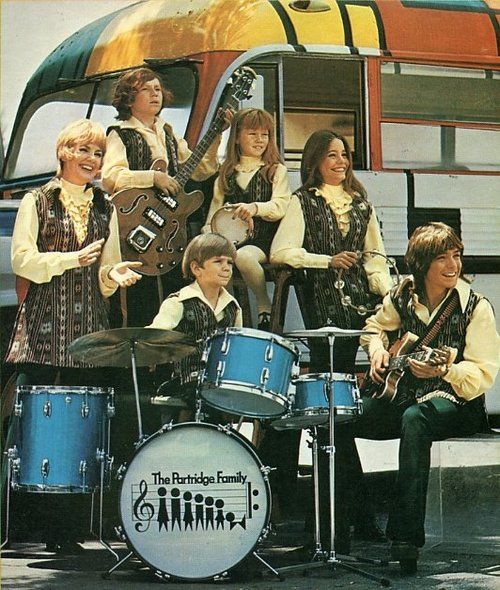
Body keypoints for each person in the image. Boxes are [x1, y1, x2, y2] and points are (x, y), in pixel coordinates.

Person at [4, 119, 142, 553]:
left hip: (89, 329)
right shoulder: (37, 200)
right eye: (84, 151)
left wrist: (113, 274)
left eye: (98, 153)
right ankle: (31, 526)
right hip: (45, 329)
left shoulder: (106, 206)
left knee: (84, 430)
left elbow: (104, 269)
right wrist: (70, 258)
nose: (92, 160)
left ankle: (72, 529)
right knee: (40, 430)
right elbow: (23, 261)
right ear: (64, 152)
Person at [269, 129, 392, 552]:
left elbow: (375, 257)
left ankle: (345, 519)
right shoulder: (302, 203)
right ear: (316, 160)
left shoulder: (362, 205)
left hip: (364, 316)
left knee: (342, 420)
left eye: (345, 155)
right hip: (325, 317)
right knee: (333, 420)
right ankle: (343, 520)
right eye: (332, 155)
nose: (341, 161)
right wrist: (325, 260)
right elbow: (282, 252)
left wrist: (388, 293)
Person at [352, 222, 499, 574]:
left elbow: (483, 374)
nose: (453, 265)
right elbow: (374, 327)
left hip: (458, 404)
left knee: (415, 419)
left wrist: (444, 371)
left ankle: (405, 540)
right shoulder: (401, 295)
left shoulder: (475, 307)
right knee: (342, 417)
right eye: (442, 258)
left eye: (457, 256)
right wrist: (376, 349)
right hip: (405, 395)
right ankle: (354, 521)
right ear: (421, 264)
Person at [102, 67, 231, 328]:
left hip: (168, 228)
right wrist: (153, 178)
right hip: (135, 224)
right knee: (137, 298)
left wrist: (217, 134)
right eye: (146, 89)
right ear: (129, 99)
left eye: (158, 89)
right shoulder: (120, 132)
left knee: (171, 295)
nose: (154, 94)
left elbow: (202, 169)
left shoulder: (169, 132)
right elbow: (111, 177)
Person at [203, 108, 291, 330]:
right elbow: (212, 217)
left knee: (243, 256)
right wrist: (208, 237)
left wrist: (255, 208)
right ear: (237, 138)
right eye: (252, 134)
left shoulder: (275, 171)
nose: (260, 140)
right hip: (228, 243)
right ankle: (216, 314)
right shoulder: (225, 174)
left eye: (265, 134)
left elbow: (280, 205)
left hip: (263, 241)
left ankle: (263, 305)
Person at [147, 233, 242, 421]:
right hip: (185, 383)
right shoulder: (178, 302)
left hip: (219, 384)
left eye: (229, 263)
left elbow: (236, 348)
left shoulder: (233, 307)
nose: (226, 268)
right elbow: (152, 338)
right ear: (196, 269)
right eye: (218, 261)